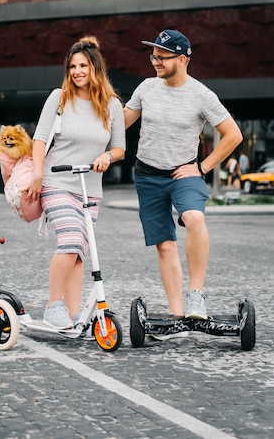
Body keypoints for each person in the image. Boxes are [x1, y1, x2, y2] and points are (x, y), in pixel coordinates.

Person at [124, 29, 243, 329]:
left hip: (184, 173)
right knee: (164, 245)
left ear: (182, 59)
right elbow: (120, 123)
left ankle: (196, 296)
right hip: (148, 175)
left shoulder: (201, 95)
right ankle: (177, 315)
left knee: (194, 218)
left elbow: (234, 135)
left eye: (161, 57)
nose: (155, 62)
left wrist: (202, 168)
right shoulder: (146, 89)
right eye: (153, 56)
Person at [27, 35, 126, 329]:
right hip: (57, 182)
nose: (77, 71)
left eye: (83, 65)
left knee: (80, 254)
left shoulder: (112, 106)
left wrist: (108, 157)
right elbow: (39, 139)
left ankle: (72, 315)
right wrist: (36, 174)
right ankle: (52, 306)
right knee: (70, 243)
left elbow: (119, 147)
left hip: (90, 189)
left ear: (96, 68)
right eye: (72, 66)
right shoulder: (59, 98)